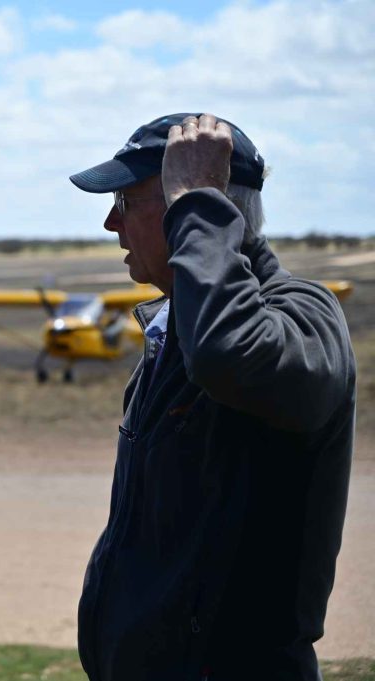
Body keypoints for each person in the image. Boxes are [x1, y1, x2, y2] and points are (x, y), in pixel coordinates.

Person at [68, 113, 355, 680]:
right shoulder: (174, 330)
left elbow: (230, 356)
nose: (110, 222)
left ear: (194, 210)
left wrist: (198, 200)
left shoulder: (301, 313)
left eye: (126, 201)